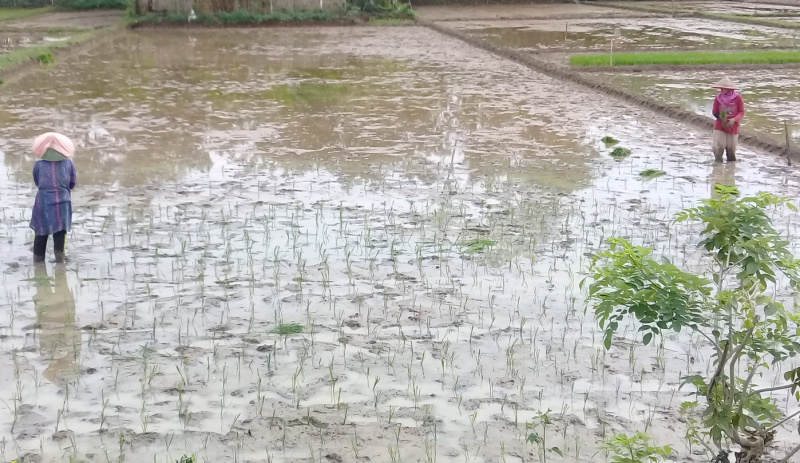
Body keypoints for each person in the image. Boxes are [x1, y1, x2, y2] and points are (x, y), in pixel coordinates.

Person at [30, 132, 77, 263]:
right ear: (63, 149)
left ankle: (38, 262)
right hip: (63, 202)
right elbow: (72, 182)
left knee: (41, 232)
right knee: (60, 232)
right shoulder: (69, 163)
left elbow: (37, 181)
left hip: (43, 202)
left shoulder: (38, 165)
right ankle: (60, 260)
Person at [711, 77, 745, 162]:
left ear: (729, 89)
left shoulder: (738, 98)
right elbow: (715, 112)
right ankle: (718, 167)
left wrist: (734, 119)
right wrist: (721, 118)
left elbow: (741, 112)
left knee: (731, 150)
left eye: (723, 88)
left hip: (733, 126)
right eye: (721, 88)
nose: (721, 90)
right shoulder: (718, 98)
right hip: (720, 125)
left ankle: (731, 168)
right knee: (719, 147)